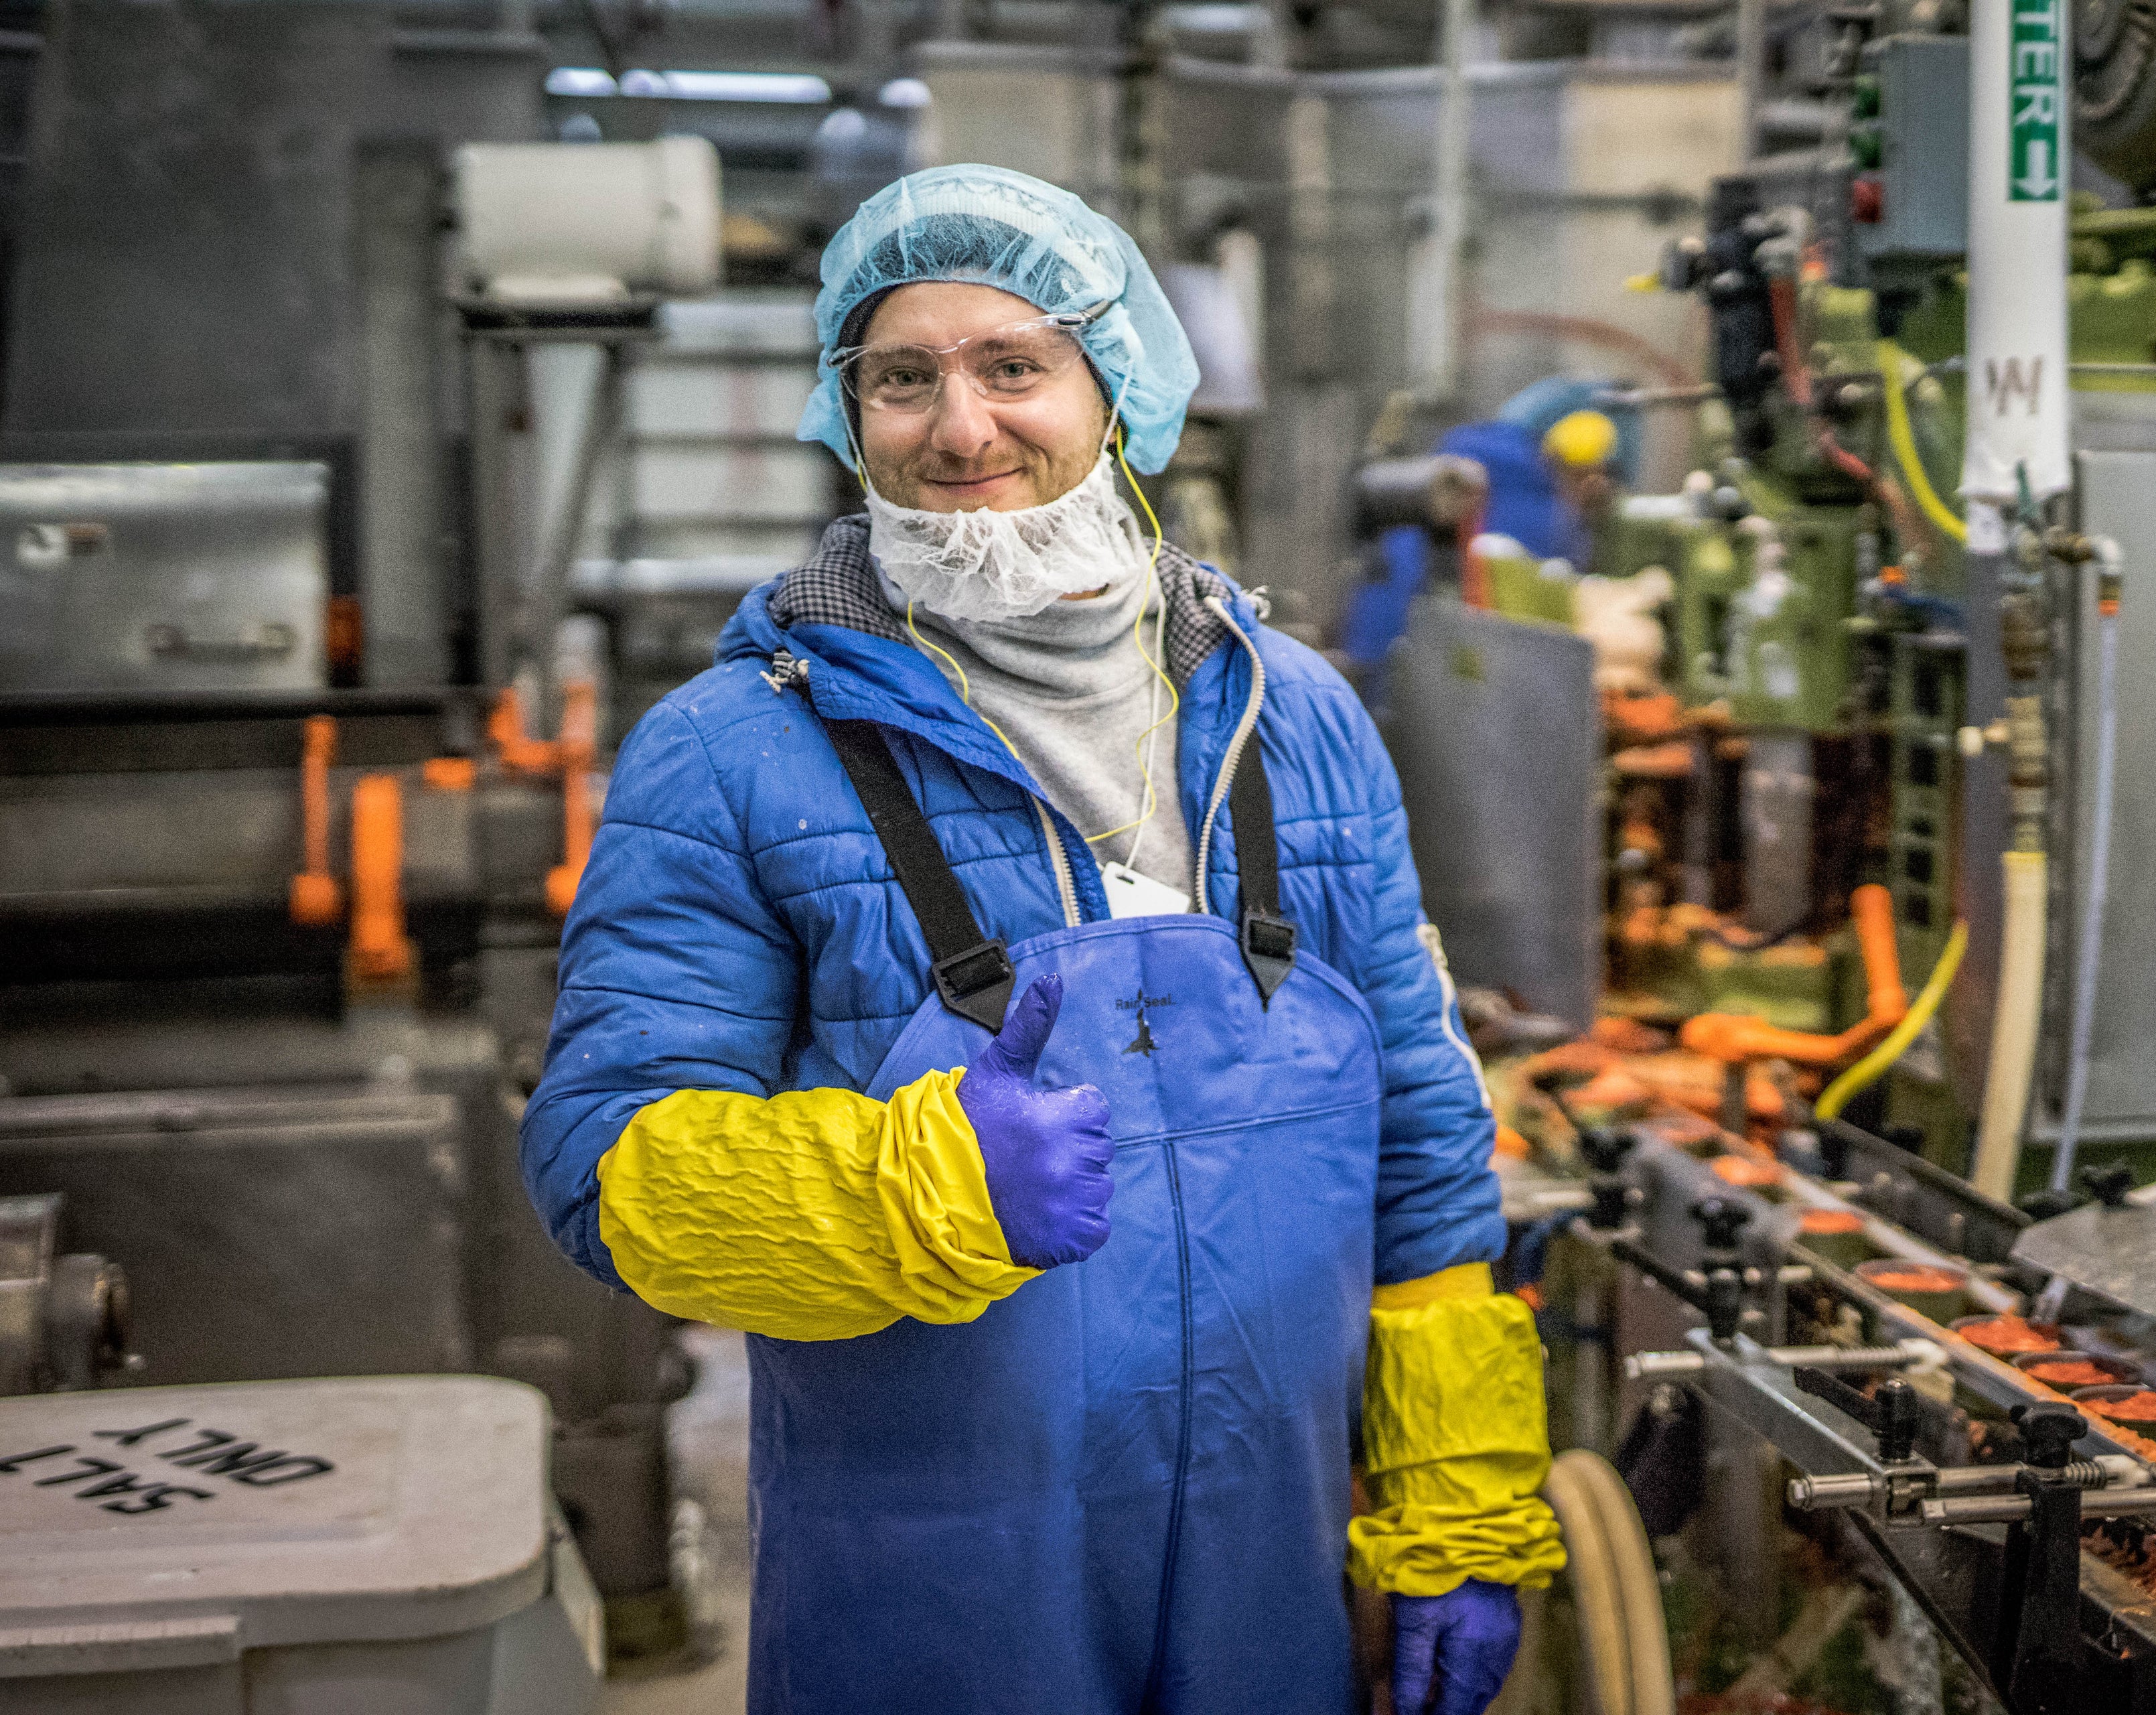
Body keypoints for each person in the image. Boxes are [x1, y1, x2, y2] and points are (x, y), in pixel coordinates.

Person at [520, 164, 1563, 1715]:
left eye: (1015, 365)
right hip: (937, 1588)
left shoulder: (1297, 720)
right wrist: (910, 1184)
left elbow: (1419, 1134)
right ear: (844, 409)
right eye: (901, 377)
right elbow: (606, 1168)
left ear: (1115, 386)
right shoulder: (729, 751)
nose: (959, 428)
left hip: (1271, 1567)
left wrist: (1456, 1504)